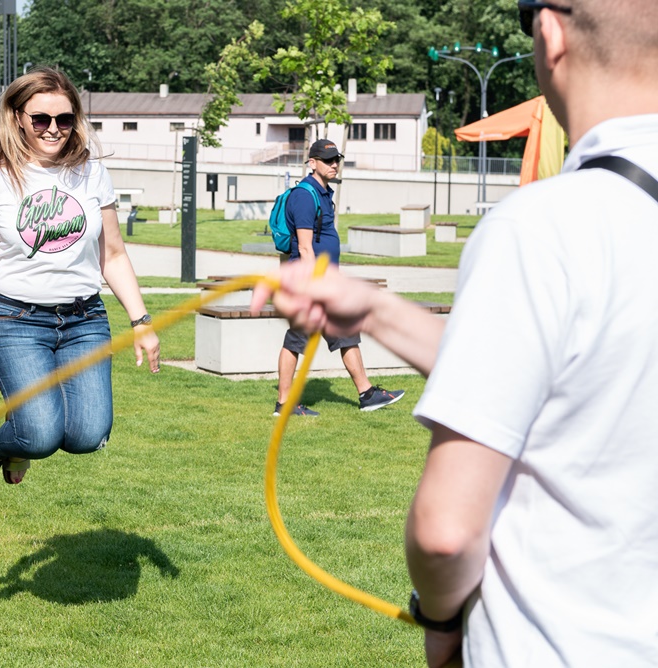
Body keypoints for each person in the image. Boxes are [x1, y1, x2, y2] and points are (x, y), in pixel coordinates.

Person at [252, 1, 658, 664]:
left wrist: (438, 620)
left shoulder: (543, 229)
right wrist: (378, 312)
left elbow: (445, 533)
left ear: (550, 37)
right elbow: (558, 378)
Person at [0, 67, 160, 505]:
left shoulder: (92, 174)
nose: (54, 129)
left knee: (87, 435)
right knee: (40, 434)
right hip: (15, 321)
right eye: (41, 119)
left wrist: (141, 321)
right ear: (19, 117)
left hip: (84, 321)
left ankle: (16, 436)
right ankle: (0, 443)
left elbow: (112, 254)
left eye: (65, 118)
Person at [274, 138, 404, 417]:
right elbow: (306, 247)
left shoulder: (323, 193)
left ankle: (367, 394)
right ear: (312, 163)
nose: (334, 165)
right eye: (328, 160)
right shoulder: (304, 195)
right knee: (296, 340)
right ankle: (284, 404)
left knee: (345, 333)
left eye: (337, 160)